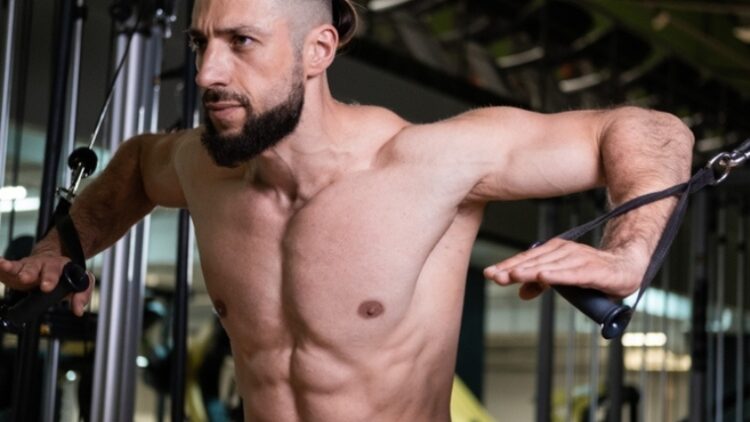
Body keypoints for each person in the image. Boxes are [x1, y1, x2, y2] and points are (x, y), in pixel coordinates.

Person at [0, 0, 693, 420]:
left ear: (318, 49)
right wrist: (63, 246)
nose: (209, 73)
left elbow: (649, 130)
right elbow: (135, 168)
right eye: (200, 43)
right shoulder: (203, 167)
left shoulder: (428, 163)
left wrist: (627, 254)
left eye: (240, 43)